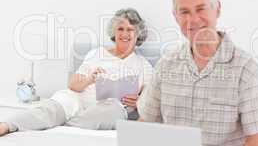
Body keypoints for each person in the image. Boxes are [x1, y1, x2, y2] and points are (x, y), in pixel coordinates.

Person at [138, 0, 258, 146]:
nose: (193, 20)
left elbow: (257, 140)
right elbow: (146, 123)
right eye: (184, 12)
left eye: (201, 9)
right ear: (175, 16)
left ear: (217, 9)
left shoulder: (248, 69)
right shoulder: (165, 64)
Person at [0, 8, 153, 136]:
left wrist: (139, 102)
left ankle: (60, 128)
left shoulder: (143, 65)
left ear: (138, 34)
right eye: (120, 28)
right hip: (79, 100)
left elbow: (152, 102)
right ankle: (7, 125)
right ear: (114, 32)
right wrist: (89, 79)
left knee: (112, 111)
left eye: (130, 29)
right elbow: (72, 85)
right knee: (54, 106)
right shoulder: (97, 54)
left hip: (108, 108)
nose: (124, 34)